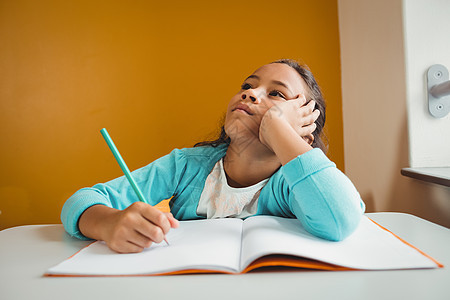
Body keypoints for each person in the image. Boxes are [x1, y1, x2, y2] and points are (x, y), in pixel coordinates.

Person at [61, 59, 365, 253]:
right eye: (248, 86)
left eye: (276, 95)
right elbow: (81, 201)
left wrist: (277, 128)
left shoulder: (290, 182)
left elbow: (341, 218)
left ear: (303, 133)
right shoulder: (184, 166)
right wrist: (109, 223)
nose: (250, 93)